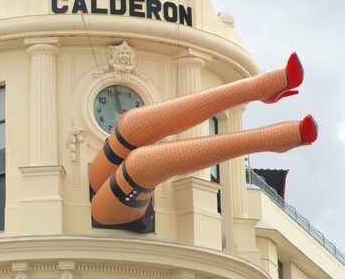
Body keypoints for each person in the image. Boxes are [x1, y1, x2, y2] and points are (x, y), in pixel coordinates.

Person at [89, 53, 317, 228]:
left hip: (98, 183)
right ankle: (267, 133)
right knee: (139, 163)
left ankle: (256, 88)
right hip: (105, 212)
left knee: (130, 124)